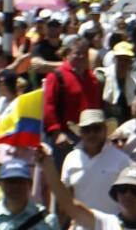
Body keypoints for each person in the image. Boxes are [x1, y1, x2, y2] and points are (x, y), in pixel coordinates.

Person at [60, 108, 133, 230]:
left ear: (104, 130)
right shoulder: (71, 159)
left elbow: (132, 197)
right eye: (86, 129)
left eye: (96, 128)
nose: (91, 134)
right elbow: (65, 199)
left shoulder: (121, 160)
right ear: (81, 133)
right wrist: (65, 227)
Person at [44, 36, 104, 166]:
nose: (81, 57)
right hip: (66, 138)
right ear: (68, 54)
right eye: (77, 53)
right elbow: (48, 107)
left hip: (90, 136)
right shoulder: (56, 76)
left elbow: (97, 106)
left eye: (84, 54)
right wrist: (57, 133)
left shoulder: (92, 79)